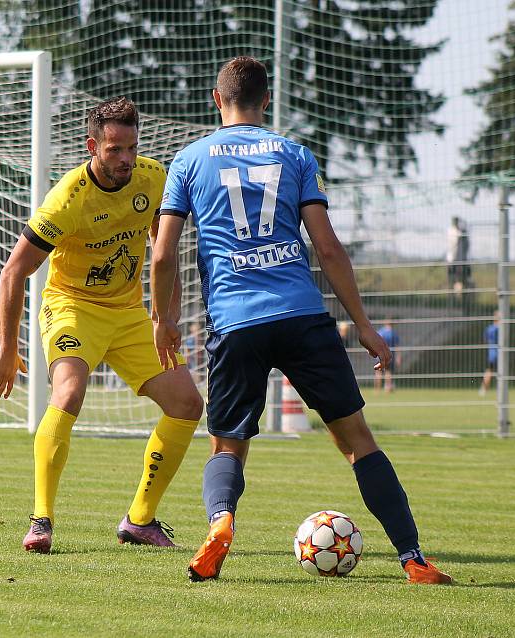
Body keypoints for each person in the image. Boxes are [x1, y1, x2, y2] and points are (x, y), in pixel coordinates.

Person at [151, 57, 452, 585]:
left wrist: (165, 319)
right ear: (266, 101)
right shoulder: (293, 154)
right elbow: (328, 247)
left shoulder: (188, 161)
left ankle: (221, 522)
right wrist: (361, 323)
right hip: (302, 315)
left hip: (234, 320)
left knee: (227, 445)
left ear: (215, 100)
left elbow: (163, 255)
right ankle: (412, 557)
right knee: (357, 439)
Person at [0, 97, 203, 554]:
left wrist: (165, 318)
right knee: (69, 392)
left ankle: (140, 520)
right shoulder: (67, 198)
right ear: (93, 146)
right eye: (113, 150)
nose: (125, 159)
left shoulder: (153, 178)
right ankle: (41, 519)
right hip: (72, 307)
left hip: (128, 315)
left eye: (131, 147)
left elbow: (164, 256)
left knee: (186, 404)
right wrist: (8, 348)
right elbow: (13, 272)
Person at [375, 319, 401, 393]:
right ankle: (388, 389)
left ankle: (377, 389)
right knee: (388, 372)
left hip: (379, 355)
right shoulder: (393, 333)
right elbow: (397, 346)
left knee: (378, 372)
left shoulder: (380, 332)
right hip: (389, 355)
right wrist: (398, 357)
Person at [447, 216, 470, 294]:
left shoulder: (462, 232)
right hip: (453, 259)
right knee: (453, 278)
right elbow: (453, 242)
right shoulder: (452, 231)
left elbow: (466, 246)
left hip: (461, 259)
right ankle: (454, 292)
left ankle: (461, 293)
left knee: (462, 278)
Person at [480, 311, 499, 395]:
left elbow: (485, 340)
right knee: (491, 371)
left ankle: (484, 389)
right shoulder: (499, 328)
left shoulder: (489, 328)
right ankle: (485, 389)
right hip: (498, 353)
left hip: (491, 352)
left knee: (489, 371)